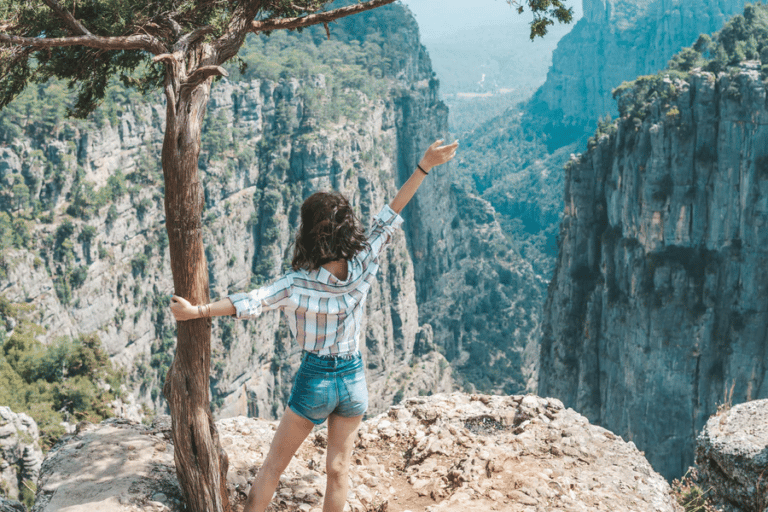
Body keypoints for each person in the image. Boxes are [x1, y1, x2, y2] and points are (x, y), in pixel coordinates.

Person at [169, 139, 459, 512]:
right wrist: (423, 166)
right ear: (347, 228)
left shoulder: (295, 284)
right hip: (354, 380)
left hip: (316, 381)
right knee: (338, 470)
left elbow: (248, 302)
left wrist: (196, 311)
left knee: (273, 467)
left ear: (309, 232)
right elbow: (392, 212)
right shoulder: (363, 261)